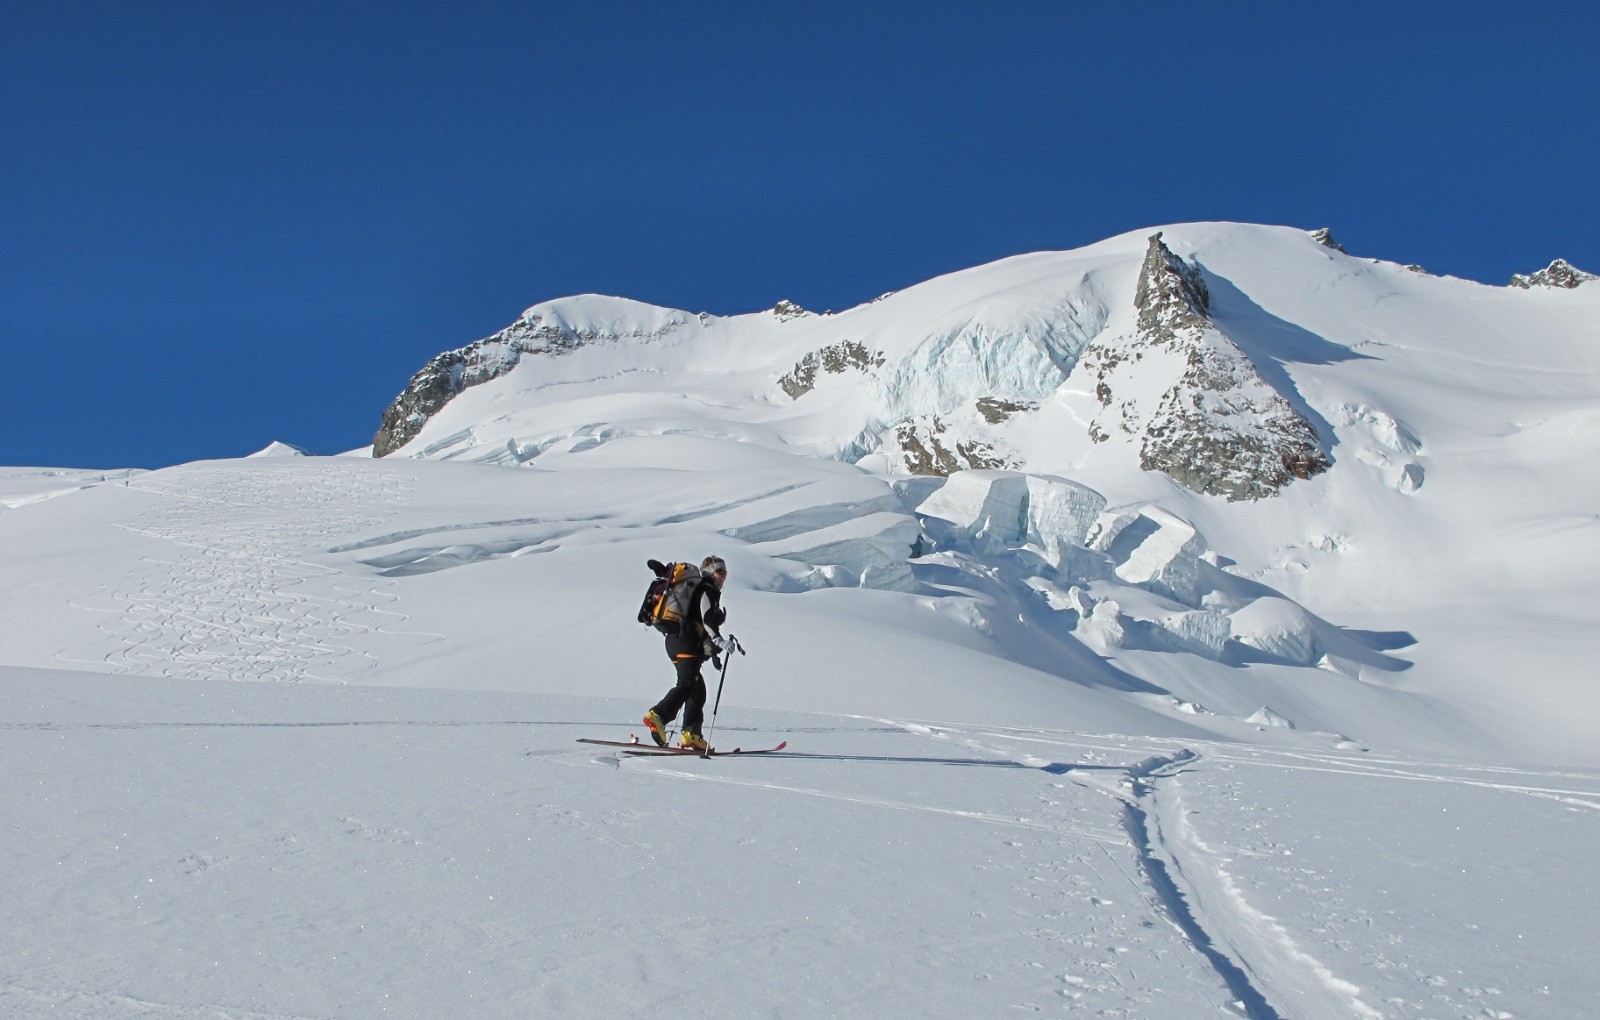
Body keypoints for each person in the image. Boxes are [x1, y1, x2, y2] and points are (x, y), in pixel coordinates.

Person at [643, 555, 735, 750]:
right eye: (720, 572)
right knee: (687, 685)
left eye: (725, 572)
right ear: (710, 572)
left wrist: (714, 654)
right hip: (685, 641)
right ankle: (658, 716)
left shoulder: (698, 589)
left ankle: (692, 734)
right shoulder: (707, 588)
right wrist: (719, 640)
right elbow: (707, 616)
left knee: (697, 689)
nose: (723, 576)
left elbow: (699, 620)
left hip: (675, 641)